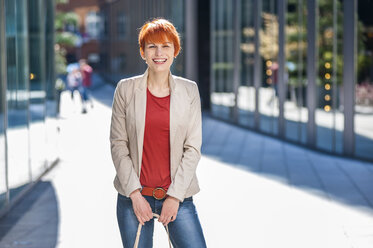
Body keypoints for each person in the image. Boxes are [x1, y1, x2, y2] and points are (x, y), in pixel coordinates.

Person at [110, 18, 207, 248]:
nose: (159, 52)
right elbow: (118, 145)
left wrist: (174, 198)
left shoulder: (189, 90)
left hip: (178, 198)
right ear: (142, 52)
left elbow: (192, 148)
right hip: (133, 198)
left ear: (175, 51)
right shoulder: (125, 89)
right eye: (152, 46)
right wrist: (135, 195)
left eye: (165, 46)